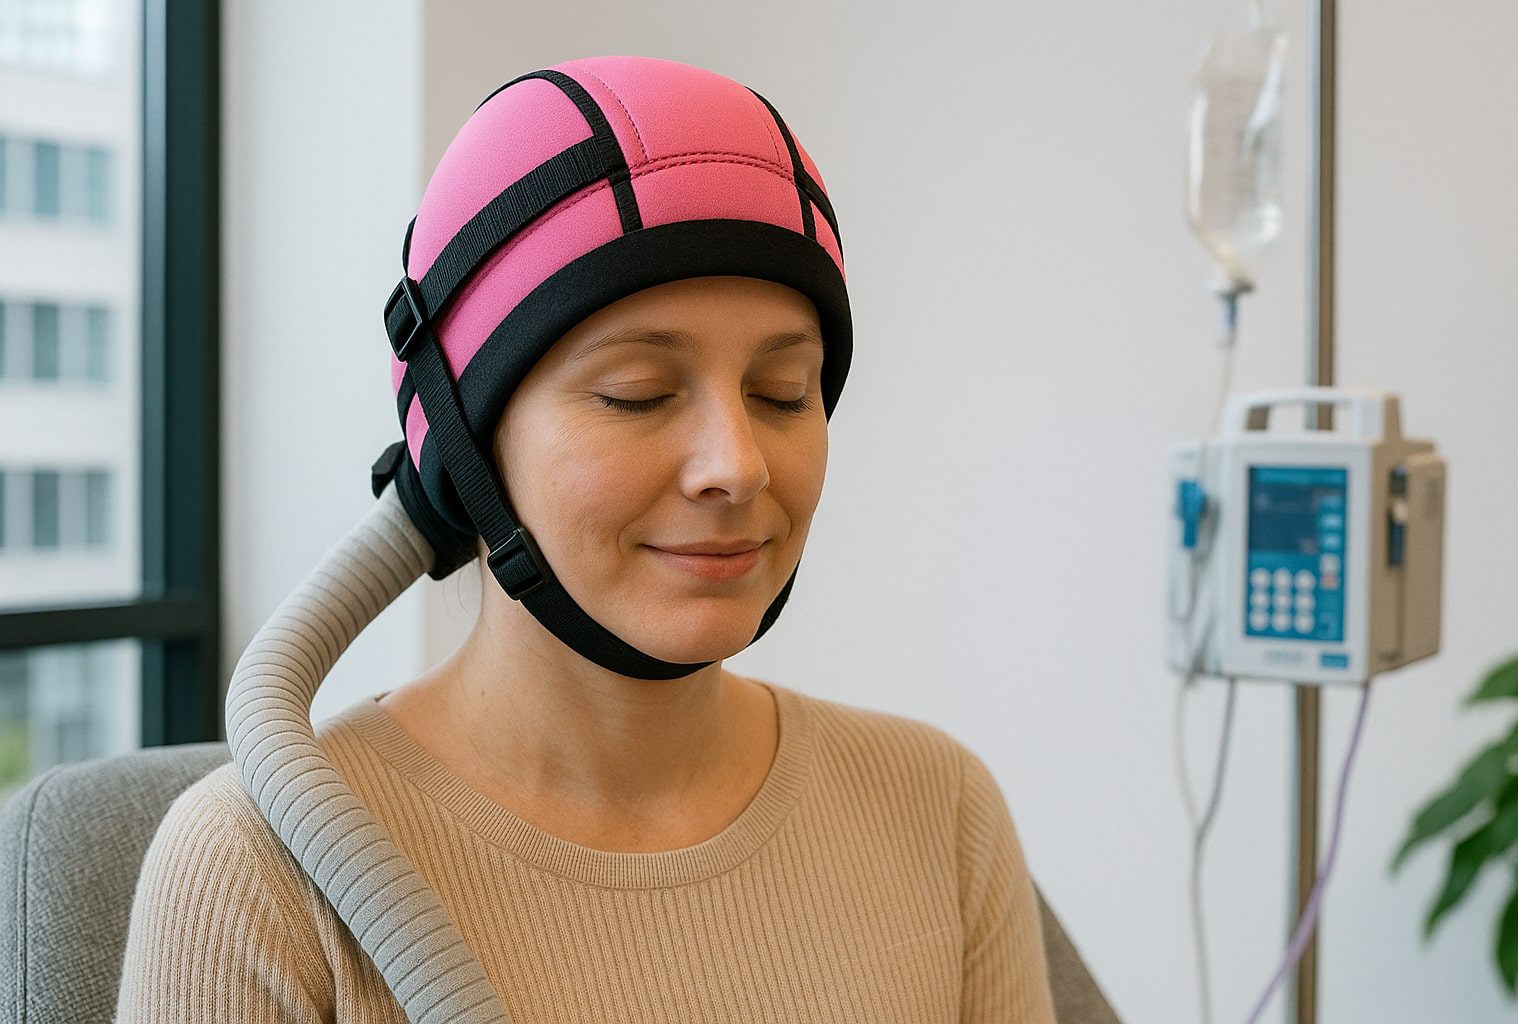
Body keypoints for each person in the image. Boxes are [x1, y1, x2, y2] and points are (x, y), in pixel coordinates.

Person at [115, 55, 1058, 1023]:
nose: (736, 465)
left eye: (783, 392)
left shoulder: (937, 809)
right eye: (636, 393)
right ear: (465, 443)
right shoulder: (255, 871)